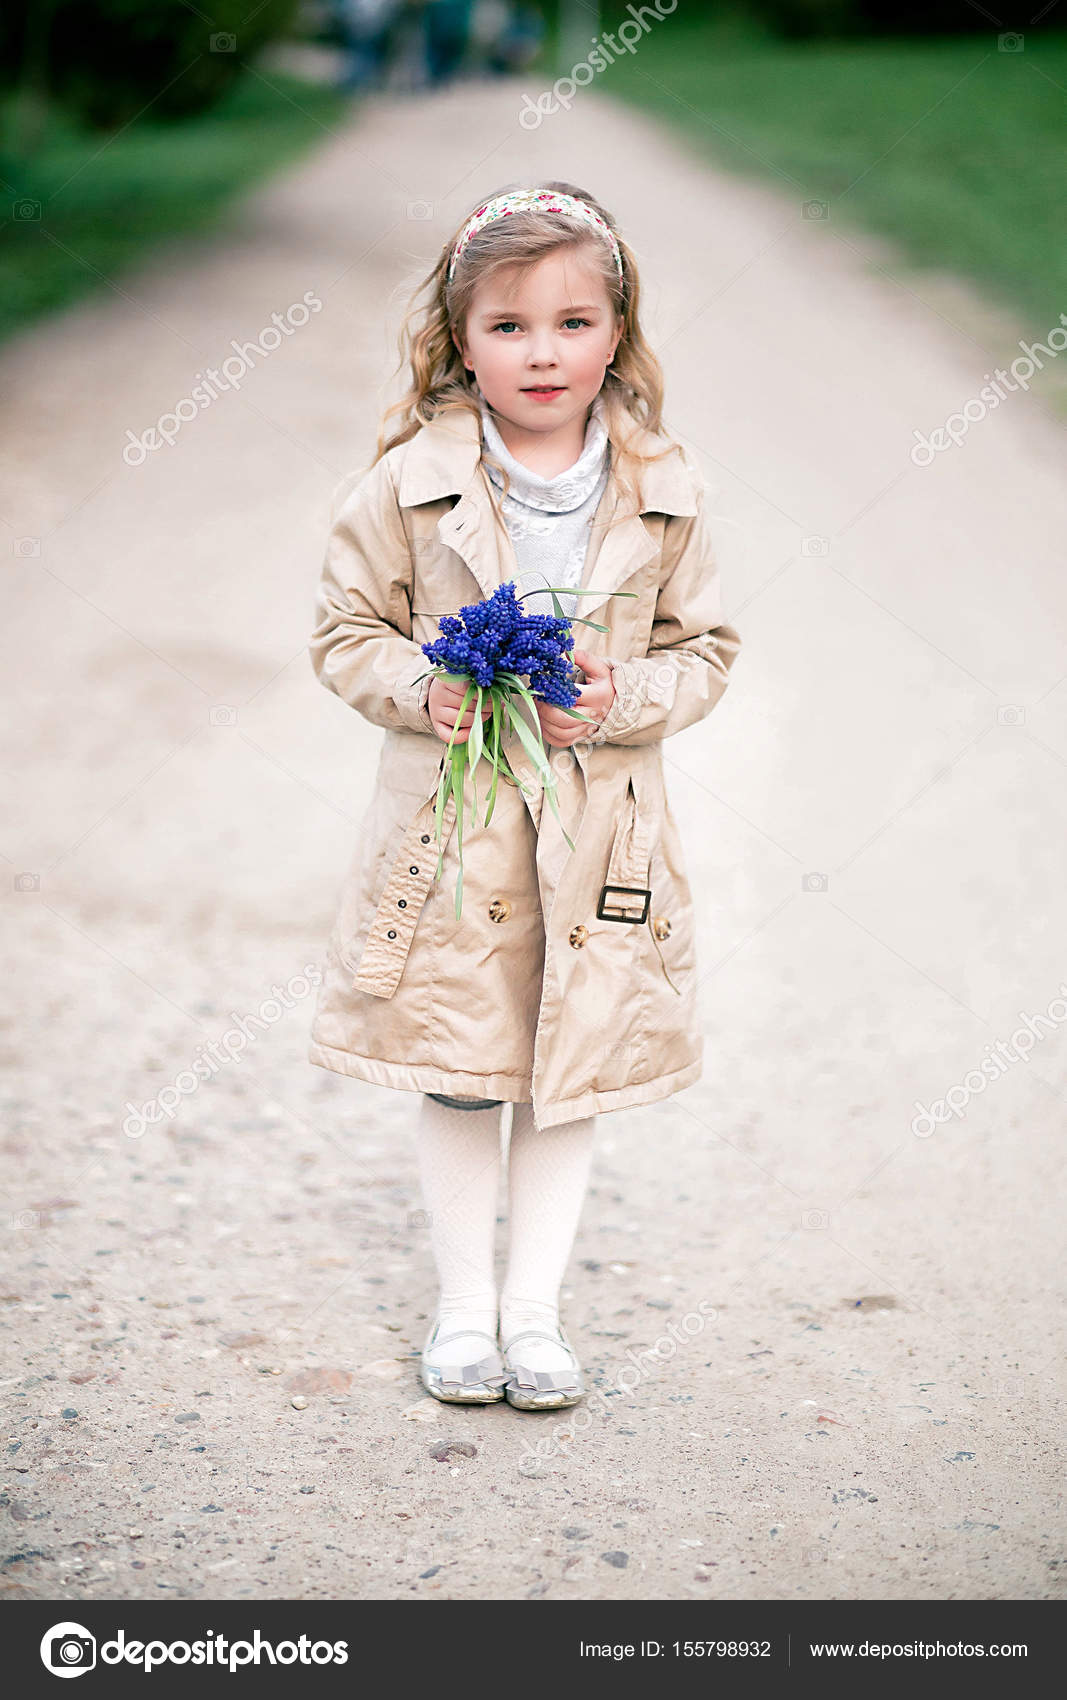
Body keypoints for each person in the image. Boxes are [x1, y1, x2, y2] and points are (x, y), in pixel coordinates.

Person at [306, 183, 743, 1411]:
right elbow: (345, 631)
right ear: (460, 341)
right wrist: (422, 688)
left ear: (617, 330)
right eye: (506, 326)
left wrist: (614, 697)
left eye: (571, 320)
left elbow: (703, 650)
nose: (541, 350)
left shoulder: (665, 483)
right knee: (460, 1059)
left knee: (572, 1065)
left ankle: (534, 1317)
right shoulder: (407, 480)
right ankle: (460, 1312)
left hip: (598, 826)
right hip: (457, 827)